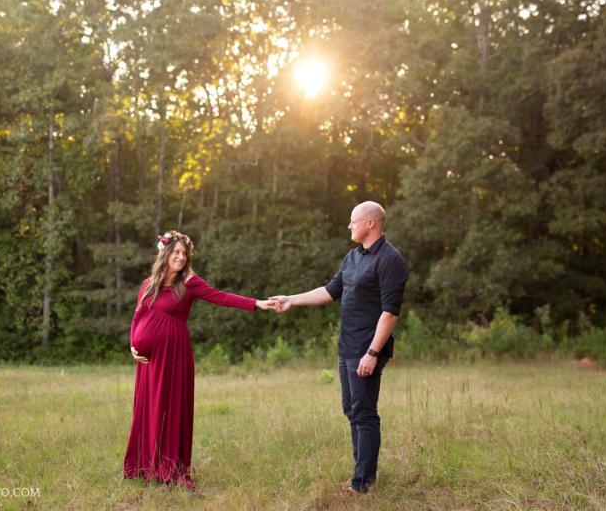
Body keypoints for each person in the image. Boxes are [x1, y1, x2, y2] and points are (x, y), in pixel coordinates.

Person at [270, 201, 408, 495]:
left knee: (364, 412)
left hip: (367, 349)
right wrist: (291, 299)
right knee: (352, 410)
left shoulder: (390, 259)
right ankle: (361, 474)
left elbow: (390, 313)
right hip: (347, 347)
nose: (349, 226)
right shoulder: (353, 257)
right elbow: (330, 292)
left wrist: (372, 353)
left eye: (353, 221)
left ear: (371, 223)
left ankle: (363, 483)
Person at [123, 230, 279, 488]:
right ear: (164, 253)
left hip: (174, 354)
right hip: (148, 361)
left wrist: (256, 303)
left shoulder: (190, 284)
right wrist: (133, 344)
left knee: (169, 408)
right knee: (148, 408)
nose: (181, 257)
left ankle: (170, 467)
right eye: (176, 252)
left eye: (184, 254)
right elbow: (137, 316)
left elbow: (222, 297)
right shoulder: (147, 284)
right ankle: (145, 463)